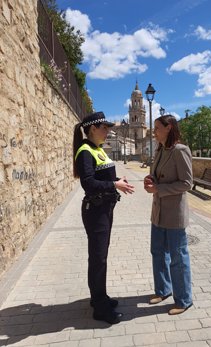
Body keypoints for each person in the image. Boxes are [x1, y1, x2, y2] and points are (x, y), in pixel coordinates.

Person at [73, 111, 135, 324]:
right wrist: (113, 185)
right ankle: (100, 308)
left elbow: (104, 176)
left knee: (101, 256)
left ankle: (100, 297)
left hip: (105, 209)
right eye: (104, 128)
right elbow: (88, 183)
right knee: (98, 258)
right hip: (96, 211)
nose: (108, 131)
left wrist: (118, 181)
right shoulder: (85, 151)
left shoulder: (97, 149)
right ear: (92, 129)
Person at [144, 114, 193, 315]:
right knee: (157, 252)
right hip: (158, 212)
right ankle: (163, 290)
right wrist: (150, 178)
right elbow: (158, 176)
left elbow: (187, 183)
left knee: (178, 257)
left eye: (157, 128)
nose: (153, 131)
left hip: (174, 214)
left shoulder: (180, 151)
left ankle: (183, 300)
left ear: (169, 127)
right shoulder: (160, 150)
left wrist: (159, 189)